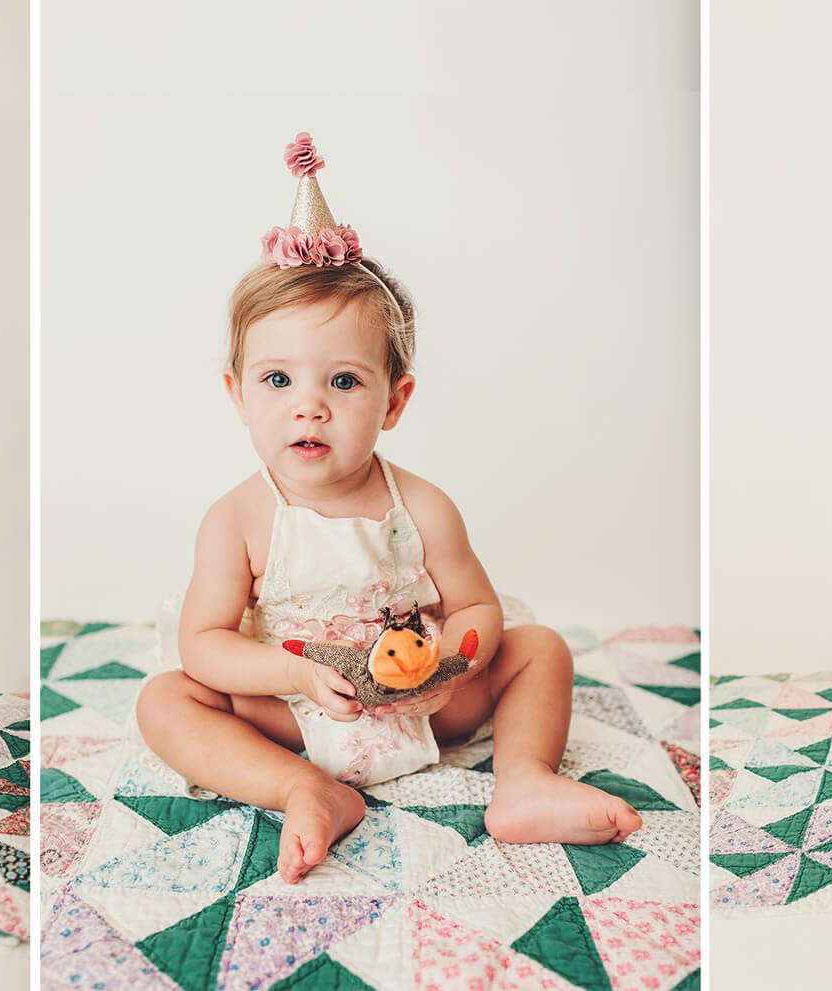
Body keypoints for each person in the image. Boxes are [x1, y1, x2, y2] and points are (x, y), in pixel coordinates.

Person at [135, 134, 642, 885]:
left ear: (394, 401)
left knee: (540, 648)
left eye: (343, 381)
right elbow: (204, 641)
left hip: (422, 704)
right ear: (236, 394)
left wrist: (453, 661)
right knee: (168, 699)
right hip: (297, 714)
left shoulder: (423, 507)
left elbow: (476, 607)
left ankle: (525, 780)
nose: (309, 405)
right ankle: (304, 788)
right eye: (277, 380)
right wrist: (294, 676)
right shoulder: (237, 519)